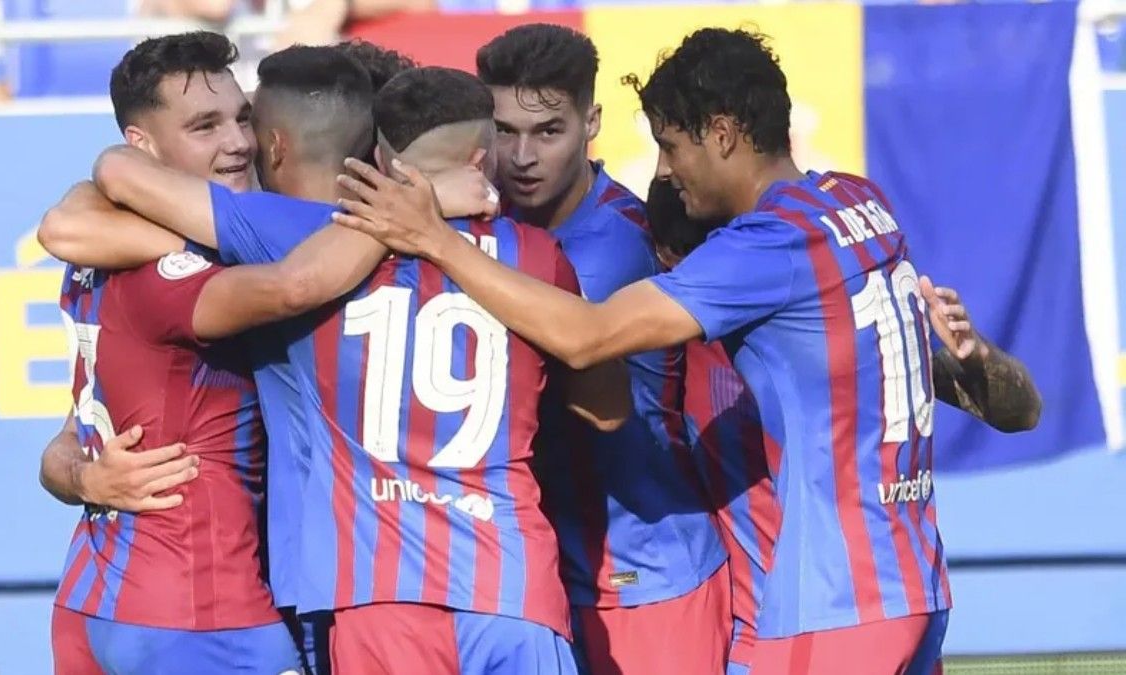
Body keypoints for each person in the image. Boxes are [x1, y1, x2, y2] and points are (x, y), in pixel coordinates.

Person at [334, 27, 966, 674]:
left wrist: (434, 239)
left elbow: (587, 337)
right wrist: (969, 363)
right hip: (905, 572)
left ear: (720, 134)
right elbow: (982, 389)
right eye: (503, 132)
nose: (662, 171)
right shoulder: (854, 202)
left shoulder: (716, 245)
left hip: (777, 587)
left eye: (669, 146)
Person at [78, 59, 631, 673]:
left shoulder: (304, 236)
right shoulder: (538, 255)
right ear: (481, 160)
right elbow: (606, 409)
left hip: (366, 590)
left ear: (383, 160)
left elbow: (96, 197)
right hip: (509, 587)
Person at [38, 32, 387, 673]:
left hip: (98, 595)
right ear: (141, 148)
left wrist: (80, 473)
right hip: (197, 607)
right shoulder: (180, 267)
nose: (237, 142)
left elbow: (73, 428)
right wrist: (413, 214)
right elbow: (294, 286)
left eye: (243, 118)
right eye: (205, 126)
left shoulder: (102, 249)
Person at [645, 177, 1042, 673]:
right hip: (772, 634)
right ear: (665, 260)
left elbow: (1022, 411)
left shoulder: (822, 338)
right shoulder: (666, 353)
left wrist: (976, 356)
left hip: (835, 622)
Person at [476, 23, 730, 674]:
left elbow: (556, 343)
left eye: (548, 130)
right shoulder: (495, 231)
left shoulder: (612, 244)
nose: (523, 156)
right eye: (504, 131)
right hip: (550, 577)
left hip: (645, 574)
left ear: (590, 122)